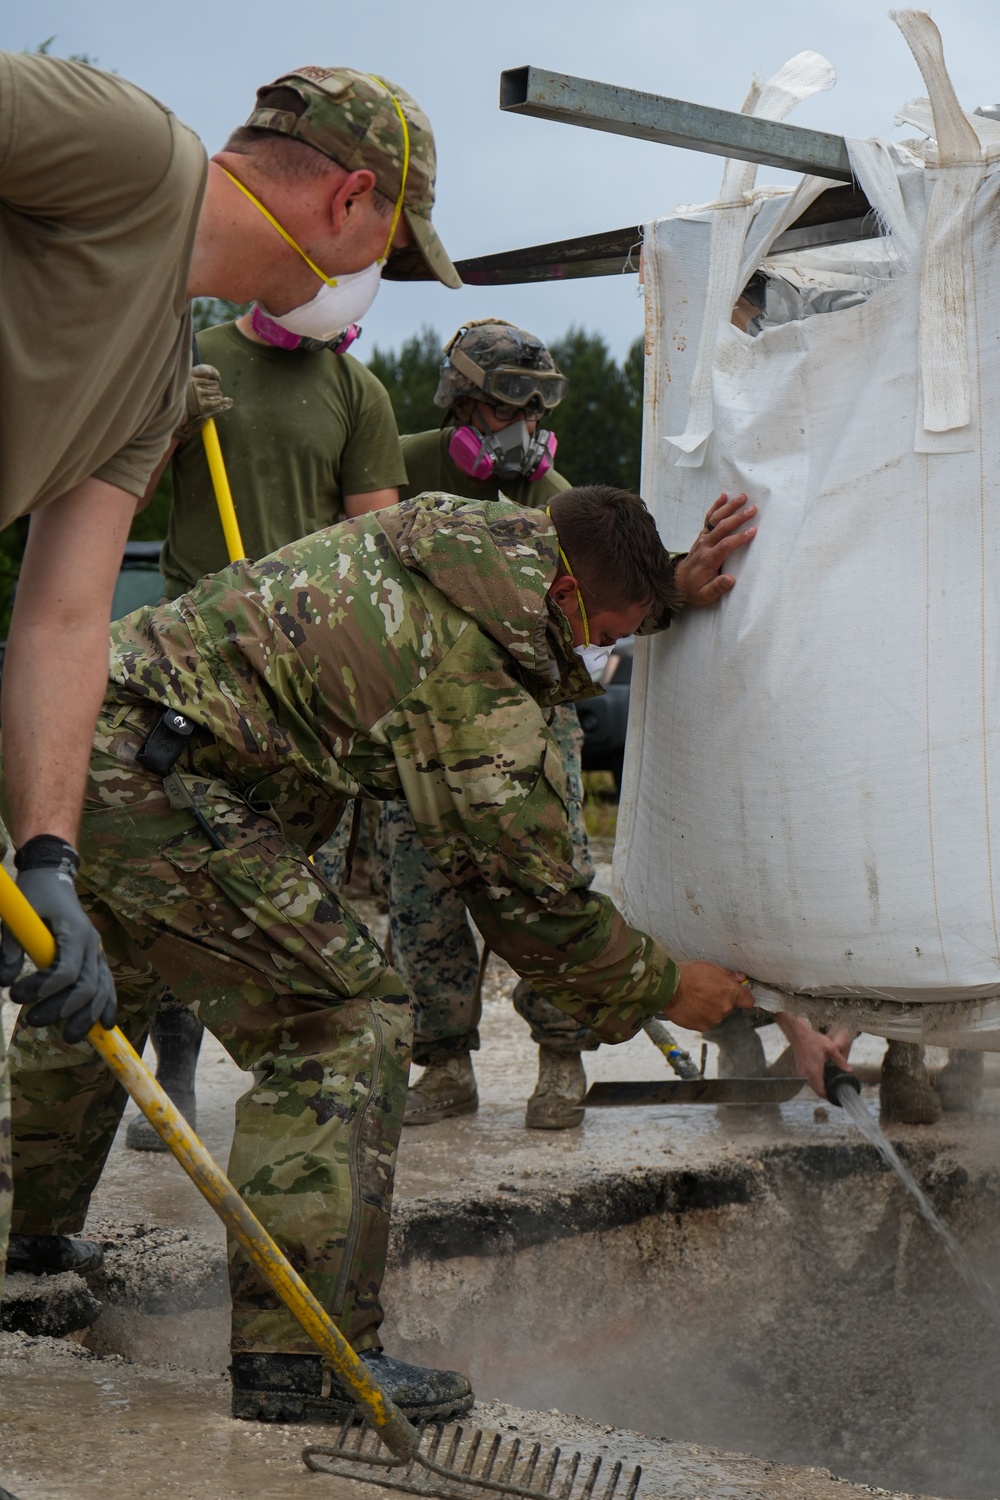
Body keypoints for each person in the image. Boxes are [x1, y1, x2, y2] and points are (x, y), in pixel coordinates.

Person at [4, 487, 755, 1422]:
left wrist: (667, 590)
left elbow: (591, 566)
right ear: (564, 600)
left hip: (90, 728)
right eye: (606, 634)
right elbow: (526, 902)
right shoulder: (472, 665)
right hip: (158, 777)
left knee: (108, 977)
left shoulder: (466, 541)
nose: (601, 659)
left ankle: (27, 1250)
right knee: (345, 1017)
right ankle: (305, 1364)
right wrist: (663, 985)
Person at [0, 52, 458, 1301]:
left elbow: (63, 619)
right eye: (391, 250)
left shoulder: (154, 380)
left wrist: (45, 856)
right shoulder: (124, 152)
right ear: (351, 202)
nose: (372, 283)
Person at [125, 308, 407, 1152]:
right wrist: (165, 423)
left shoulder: (358, 393)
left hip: (296, 675)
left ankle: (287, 1087)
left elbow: (374, 543)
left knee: (282, 886)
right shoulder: (192, 358)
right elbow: (121, 498)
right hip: (186, 659)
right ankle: (163, 1070)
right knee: (163, 867)